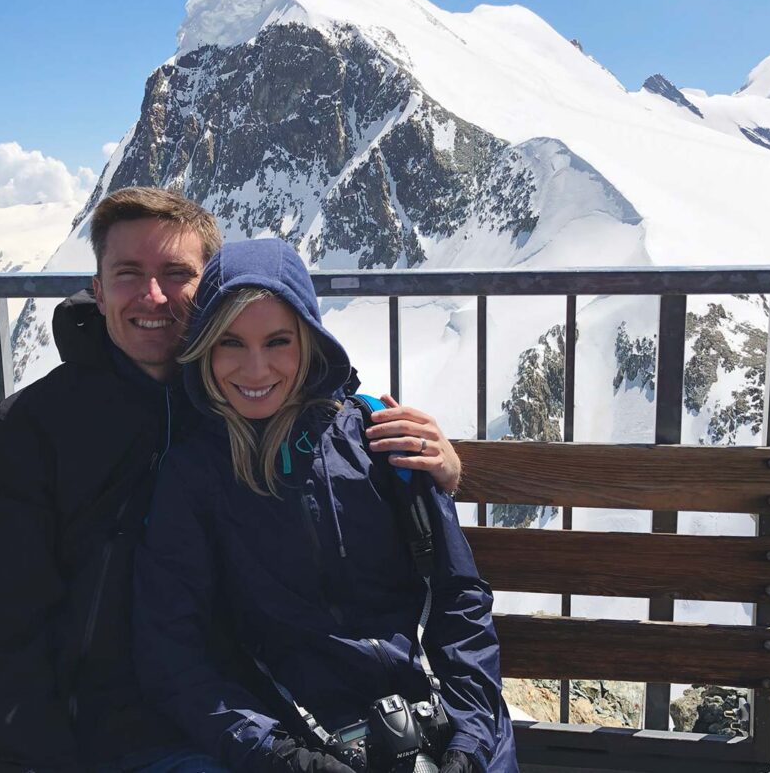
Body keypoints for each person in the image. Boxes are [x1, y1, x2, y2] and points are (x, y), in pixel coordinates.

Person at [0, 187, 463, 772]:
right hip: (106, 732)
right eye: (128, 274)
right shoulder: (29, 433)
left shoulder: (241, 398)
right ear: (96, 289)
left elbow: (327, 424)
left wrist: (438, 471)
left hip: (255, 719)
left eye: (176, 274)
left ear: (210, 295)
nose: (152, 295)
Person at [133, 238, 518, 773]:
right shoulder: (195, 476)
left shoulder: (382, 441)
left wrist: (471, 740)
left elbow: (459, 598)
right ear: (204, 349)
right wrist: (280, 757)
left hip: (443, 719)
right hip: (292, 737)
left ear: (310, 342)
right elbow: (172, 648)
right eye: (231, 343)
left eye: (277, 341)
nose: (256, 368)